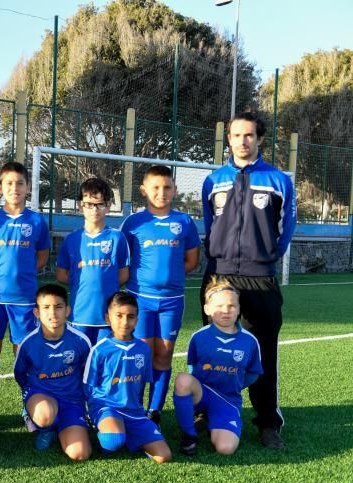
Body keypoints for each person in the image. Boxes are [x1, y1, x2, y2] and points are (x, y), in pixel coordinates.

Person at [201, 111, 296, 450]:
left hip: (260, 279)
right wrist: (218, 255)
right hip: (219, 275)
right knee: (212, 349)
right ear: (228, 139)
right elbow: (209, 222)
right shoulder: (214, 180)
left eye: (249, 135)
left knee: (262, 352)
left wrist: (266, 256)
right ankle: (207, 413)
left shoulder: (278, 180)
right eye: (236, 135)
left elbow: (286, 229)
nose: (243, 141)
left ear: (259, 139)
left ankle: (268, 422)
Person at [119, 165, 200, 424]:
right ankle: (134, 409)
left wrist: (169, 280)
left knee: (164, 355)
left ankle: (154, 411)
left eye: (167, 187)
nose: (161, 192)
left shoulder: (184, 222)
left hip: (172, 302)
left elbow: (191, 261)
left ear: (174, 190)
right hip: (140, 299)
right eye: (155, 187)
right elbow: (123, 262)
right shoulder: (133, 223)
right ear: (144, 190)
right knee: (141, 355)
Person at [173, 276, 263, 456]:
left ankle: (215, 419)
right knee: (183, 380)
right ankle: (190, 435)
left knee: (226, 449)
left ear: (239, 309)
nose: (226, 311)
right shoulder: (199, 337)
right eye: (219, 306)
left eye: (231, 306)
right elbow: (192, 367)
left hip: (228, 399)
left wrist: (234, 383)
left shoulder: (249, 341)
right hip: (202, 392)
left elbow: (253, 373)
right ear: (207, 309)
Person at [0, 161, 51, 357]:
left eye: (20, 183)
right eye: (9, 183)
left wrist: (25, 273)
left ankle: (27, 388)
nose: (14, 188)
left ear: (28, 187)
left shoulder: (37, 221)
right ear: (0, 187)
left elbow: (43, 257)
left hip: (24, 298)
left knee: (23, 351)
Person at [82, 292, 171, 463]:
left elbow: (140, 385)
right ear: (108, 318)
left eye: (130, 317)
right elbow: (88, 387)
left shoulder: (143, 349)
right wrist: (95, 412)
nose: (125, 322)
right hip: (106, 407)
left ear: (137, 320)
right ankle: (105, 428)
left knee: (164, 457)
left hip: (134, 411)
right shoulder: (100, 350)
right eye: (119, 316)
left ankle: (129, 433)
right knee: (113, 442)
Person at [13, 284, 92, 460]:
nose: (53, 313)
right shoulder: (28, 343)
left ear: (67, 310)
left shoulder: (80, 340)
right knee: (45, 415)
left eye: (58, 307)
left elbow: (88, 375)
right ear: (36, 312)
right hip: (41, 396)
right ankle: (45, 428)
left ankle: (64, 424)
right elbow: (20, 375)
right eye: (46, 308)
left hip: (72, 401)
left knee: (80, 454)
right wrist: (31, 396)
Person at [56, 177, 129, 346]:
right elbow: (61, 274)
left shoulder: (117, 238)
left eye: (99, 204)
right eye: (89, 204)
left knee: (104, 361)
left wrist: (105, 283)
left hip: (108, 316)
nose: (94, 210)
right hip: (80, 315)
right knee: (80, 362)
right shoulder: (72, 239)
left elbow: (123, 274)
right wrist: (83, 282)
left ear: (109, 206)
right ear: (80, 205)